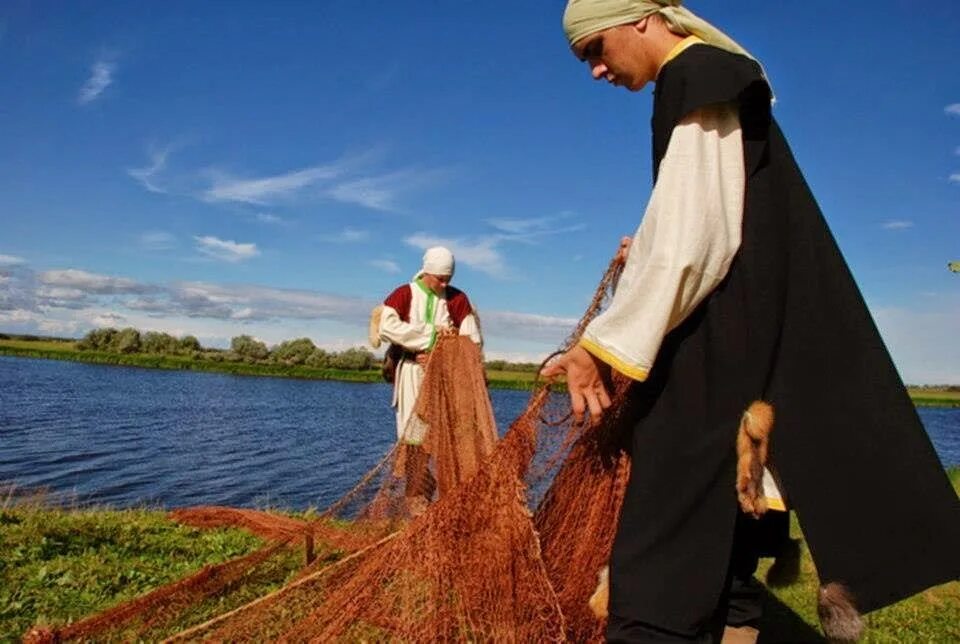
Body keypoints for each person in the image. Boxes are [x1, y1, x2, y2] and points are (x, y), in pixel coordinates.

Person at [543, 2, 960, 642]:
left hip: (713, 354)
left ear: (644, 19)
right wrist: (644, 249)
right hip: (739, 342)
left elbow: (694, 236)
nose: (596, 69)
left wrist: (599, 345)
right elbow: (704, 218)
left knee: (659, 549)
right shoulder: (707, 80)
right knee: (708, 519)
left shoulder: (699, 75)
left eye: (597, 47)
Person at [378, 246, 482, 513]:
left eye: (448, 278)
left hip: (447, 378)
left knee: (450, 434)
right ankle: (416, 495)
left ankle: (448, 495)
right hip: (413, 374)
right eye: (440, 278)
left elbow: (471, 341)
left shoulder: (458, 300)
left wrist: (441, 353)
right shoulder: (404, 294)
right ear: (427, 272)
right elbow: (387, 327)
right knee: (415, 434)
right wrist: (430, 336)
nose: (444, 283)